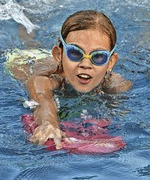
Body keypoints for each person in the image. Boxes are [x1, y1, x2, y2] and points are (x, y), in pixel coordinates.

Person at [23, 10, 132, 149]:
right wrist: (49, 124)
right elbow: (43, 99)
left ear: (111, 62)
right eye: (75, 53)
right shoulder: (44, 79)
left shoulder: (116, 85)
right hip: (24, 59)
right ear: (59, 54)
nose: (85, 64)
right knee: (27, 41)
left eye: (98, 56)